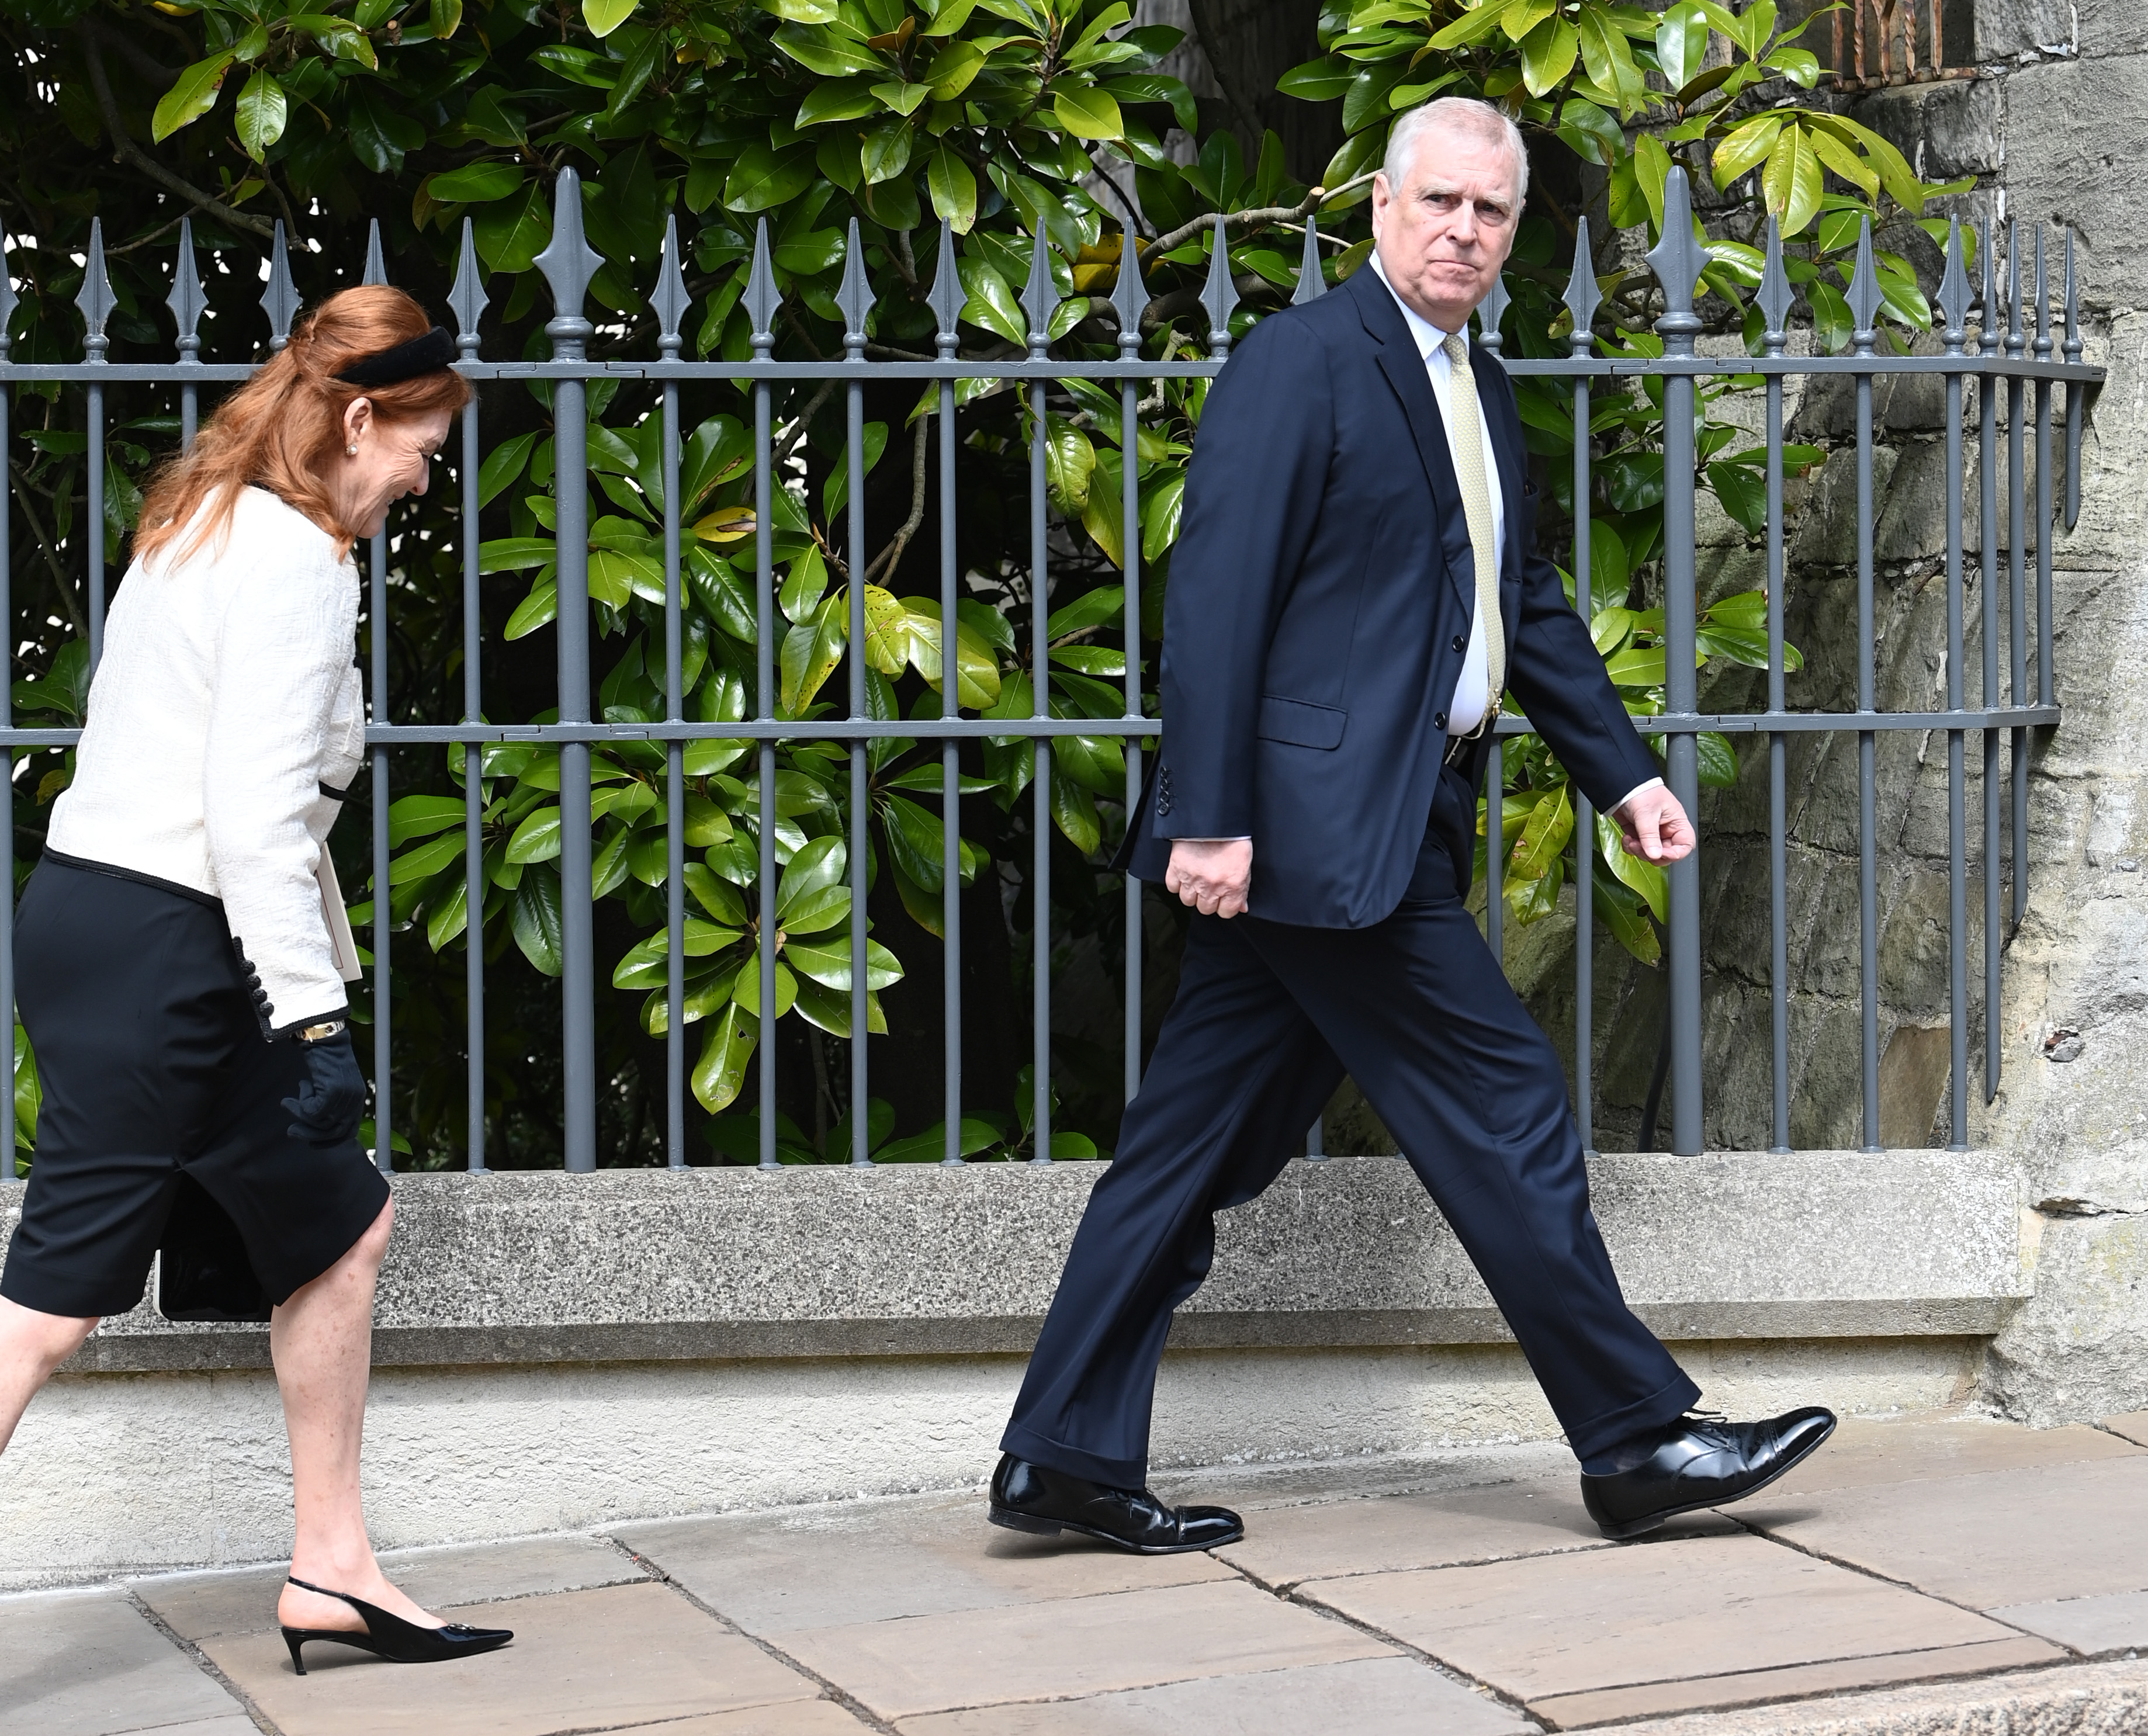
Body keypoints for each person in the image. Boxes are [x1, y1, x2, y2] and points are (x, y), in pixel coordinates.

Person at [989, 98, 1836, 1554]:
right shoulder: (1300, 361)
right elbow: (1214, 603)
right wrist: (1209, 820)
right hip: (1307, 840)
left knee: (1187, 1152)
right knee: (1505, 1108)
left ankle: (1058, 1454)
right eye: (1438, 201)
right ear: (1379, 208)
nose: (1463, 230)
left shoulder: (1477, 384)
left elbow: (1517, 605)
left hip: (1391, 819)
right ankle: (1634, 1437)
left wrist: (1622, 776)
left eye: (1489, 211)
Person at [0, 287, 512, 1672]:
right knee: (48, 1307)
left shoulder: (202, 516)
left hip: (106, 917)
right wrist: (315, 1017)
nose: (424, 477)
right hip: (176, 945)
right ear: (357, 420)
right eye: (420, 447)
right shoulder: (296, 560)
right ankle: (332, 1564)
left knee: (340, 1227)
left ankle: (332, 1568)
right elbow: (252, 819)